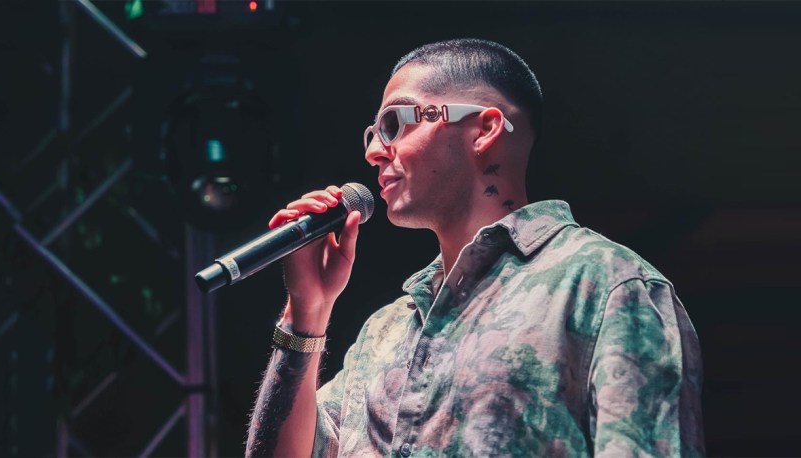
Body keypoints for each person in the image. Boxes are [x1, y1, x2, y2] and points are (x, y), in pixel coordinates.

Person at [245, 38, 704, 457]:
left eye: (394, 123)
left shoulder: (606, 286)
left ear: (483, 130)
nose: (374, 151)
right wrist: (307, 311)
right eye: (373, 133)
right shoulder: (384, 333)